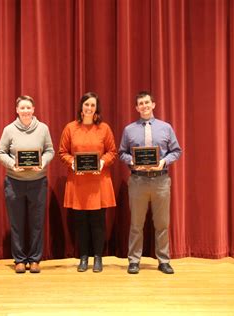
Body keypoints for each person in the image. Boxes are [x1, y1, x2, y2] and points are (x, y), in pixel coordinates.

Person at [118, 91, 182, 275]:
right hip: (138, 181)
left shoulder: (166, 128)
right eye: (140, 104)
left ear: (153, 105)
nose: (144, 106)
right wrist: (133, 161)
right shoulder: (129, 130)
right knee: (136, 224)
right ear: (136, 108)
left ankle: (163, 260)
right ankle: (134, 261)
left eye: (147, 102)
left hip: (161, 181)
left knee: (162, 224)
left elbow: (176, 151)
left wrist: (164, 161)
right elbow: (122, 153)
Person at [59, 92, 117, 273]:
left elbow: (112, 152)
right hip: (78, 183)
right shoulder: (70, 128)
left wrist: (102, 162)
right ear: (81, 107)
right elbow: (63, 152)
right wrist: (72, 162)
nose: (89, 108)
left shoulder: (104, 129)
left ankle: (98, 257)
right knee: (81, 222)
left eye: (92, 105)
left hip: (99, 182)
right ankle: (83, 257)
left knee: (98, 222)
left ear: (97, 108)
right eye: (86, 105)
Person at [0, 95, 54, 273]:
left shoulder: (43, 128)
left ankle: (35, 259)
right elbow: (0, 152)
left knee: (37, 223)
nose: (26, 111)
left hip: (38, 183)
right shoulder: (9, 130)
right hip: (14, 183)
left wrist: (43, 163)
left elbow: (50, 150)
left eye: (28, 107)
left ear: (33, 109)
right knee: (17, 223)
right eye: (22, 108)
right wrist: (12, 164)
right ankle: (20, 260)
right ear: (17, 110)